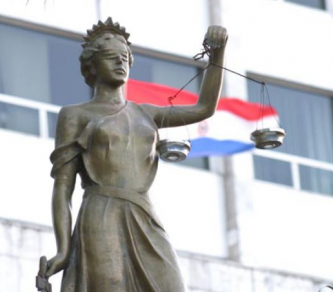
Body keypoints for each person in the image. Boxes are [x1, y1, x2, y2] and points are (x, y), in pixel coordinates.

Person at [45, 18, 227, 292]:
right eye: (110, 58)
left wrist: (217, 55)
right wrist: (63, 249)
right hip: (100, 212)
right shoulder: (75, 115)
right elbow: (63, 187)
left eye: (124, 58)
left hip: (142, 211)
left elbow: (204, 108)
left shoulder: (146, 113)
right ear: (92, 65)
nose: (120, 64)